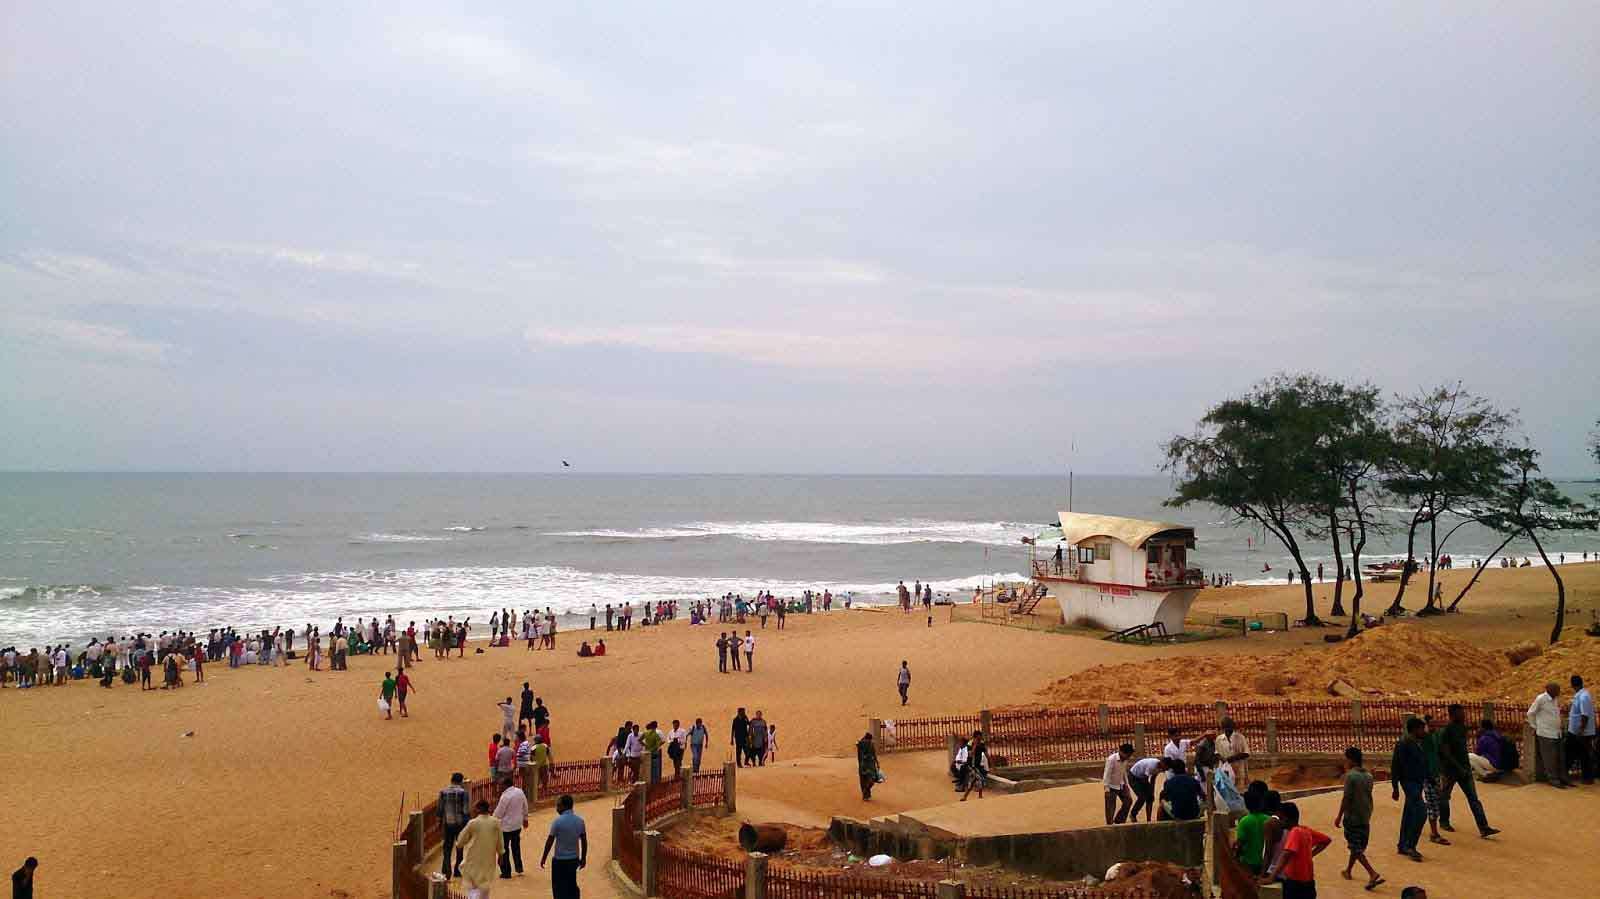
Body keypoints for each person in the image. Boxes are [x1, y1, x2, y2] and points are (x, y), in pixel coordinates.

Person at [1437, 703, 1499, 838]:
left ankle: (1483, 827)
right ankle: (1444, 821)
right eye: (1461, 713)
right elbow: (1446, 753)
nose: (1464, 715)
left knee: (1473, 799)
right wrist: (1459, 768)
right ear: (1452, 714)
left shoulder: (1461, 728)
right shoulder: (1446, 731)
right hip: (1450, 770)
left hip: (1463, 769)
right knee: (1445, 796)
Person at [1334, 747, 1383, 891]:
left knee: (1355, 846)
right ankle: (1348, 870)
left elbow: (1347, 798)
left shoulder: (1351, 776)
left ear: (1350, 760)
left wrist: (1339, 816)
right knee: (1357, 845)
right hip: (1365, 815)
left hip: (1353, 816)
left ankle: (1372, 873)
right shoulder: (1368, 775)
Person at [1262, 802, 1331, 899]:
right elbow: (1326, 840)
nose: (1279, 822)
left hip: (1295, 884)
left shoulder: (1295, 832)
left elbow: (1286, 855)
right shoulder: (1306, 830)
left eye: (1281, 819)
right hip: (1309, 883)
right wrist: (1309, 855)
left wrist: (1271, 877)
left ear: (1287, 819)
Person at [1390, 716, 1430, 861]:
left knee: (1409, 814)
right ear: (1414, 729)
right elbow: (1395, 766)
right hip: (1409, 783)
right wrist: (1395, 787)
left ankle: (1402, 845)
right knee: (1421, 812)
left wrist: (1429, 779)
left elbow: (1422, 764)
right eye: (1421, 728)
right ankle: (1410, 845)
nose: (1423, 731)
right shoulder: (1404, 744)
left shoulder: (1416, 743)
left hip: (1416, 783)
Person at [541, 794, 587, 899]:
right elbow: (584, 841)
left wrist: (544, 857)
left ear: (564, 806)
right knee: (571, 884)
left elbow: (550, 841)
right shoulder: (580, 821)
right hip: (573, 860)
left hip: (559, 860)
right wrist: (583, 858)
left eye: (558, 805)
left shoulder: (557, 822)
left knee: (558, 887)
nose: (557, 808)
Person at [457, 800, 502, 899]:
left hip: (473, 860)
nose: (473, 810)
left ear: (479, 809)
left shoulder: (473, 823)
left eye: (475, 808)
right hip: (489, 861)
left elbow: (460, 841)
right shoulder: (496, 822)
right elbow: (500, 844)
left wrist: (460, 845)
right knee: (485, 888)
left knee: (473, 887)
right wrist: (500, 857)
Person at [1527, 682, 1569, 787]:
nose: (1559, 692)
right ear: (1549, 689)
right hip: (1546, 733)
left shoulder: (1555, 700)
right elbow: (1530, 713)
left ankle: (1562, 778)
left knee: (1559, 757)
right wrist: (1535, 727)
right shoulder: (1541, 699)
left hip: (1556, 733)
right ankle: (1553, 779)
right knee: (1549, 758)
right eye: (1557, 690)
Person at [494, 777, 529, 878]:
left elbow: (498, 813)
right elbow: (525, 805)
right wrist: (525, 818)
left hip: (506, 827)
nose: (500, 787)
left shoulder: (505, 796)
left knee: (504, 849)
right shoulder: (519, 791)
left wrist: (492, 821)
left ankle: (506, 872)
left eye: (501, 785)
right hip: (517, 825)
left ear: (505, 785)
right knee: (516, 847)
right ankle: (519, 867)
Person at [1234, 789, 1270, 875]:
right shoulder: (1269, 819)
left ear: (1246, 805)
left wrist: (1235, 857)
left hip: (1248, 863)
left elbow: (1240, 843)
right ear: (1261, 803)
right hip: (1265, 863)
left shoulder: (1244, 821)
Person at [1569, 674, 1595, 784]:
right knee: (1582, 754)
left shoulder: (1583, 697)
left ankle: (1588, 778)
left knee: (1583, 755)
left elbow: (1585, 715)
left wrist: (1581, 729)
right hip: (1579, 731)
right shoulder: (1581, 695)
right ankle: (1586, 777)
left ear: (1572, 685)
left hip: (1581, 732)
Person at [1102, 743, 1134, 824]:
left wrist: (1126, 785)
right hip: (1111, 786)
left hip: (1121, 784)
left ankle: (1119, 821)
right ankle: (1110, 824)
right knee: (1110, 806)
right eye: (1128, 755)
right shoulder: (1111, 759)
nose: (1128, 757)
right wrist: (1106, 789)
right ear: (1122, 752)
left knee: (1128, 801)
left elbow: (1124, 772)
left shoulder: (1125, 759)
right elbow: (1107, 774)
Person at [1127, 755, 1167, 821]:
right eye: (1166, 768)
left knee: (1150, 798)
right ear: (1163, 764)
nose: (1165, 770)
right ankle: (1133, 814)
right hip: (1134, 777)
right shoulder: (1152, 766)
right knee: (1142, 797)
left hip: (1142, 778)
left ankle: (1149, 819)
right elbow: (1145, 779)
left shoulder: (1160, 767)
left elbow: (1153, 779)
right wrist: (1148, 790)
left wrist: (1152, 792)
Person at [1217, 716, 1250, 784]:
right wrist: (1223, 759)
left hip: (1239, 770)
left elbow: (1246, 753)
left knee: (1239, 790)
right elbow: (1216, 753)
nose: (1228, 731)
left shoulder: (1240, 738)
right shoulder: (1219, 739)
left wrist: (1231, 759)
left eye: (1230, 729)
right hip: (1225, 771)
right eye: (1226, 729)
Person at [959, 731, 988, 801]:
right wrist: (974, 745)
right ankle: (980, 796)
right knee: (980, 779)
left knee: (972, 781)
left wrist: (992, 765)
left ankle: (965, 796)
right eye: (978, 737)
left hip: (977, 765)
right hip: (971, 766)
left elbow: (986, 753)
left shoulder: (982, 743)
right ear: (975, 737)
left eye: (980, 737)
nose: (980, 739)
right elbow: (970, 754)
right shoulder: (970, 744)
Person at [857, 731, 880, 800]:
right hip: (865, 765)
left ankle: (865, 793)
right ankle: (866, 795)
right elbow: (861, 756)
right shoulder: (862, 744)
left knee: (868, 780)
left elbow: (874, 753)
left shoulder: (868, 744)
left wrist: (877, 763)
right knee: (866, 780)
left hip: (868, 765)